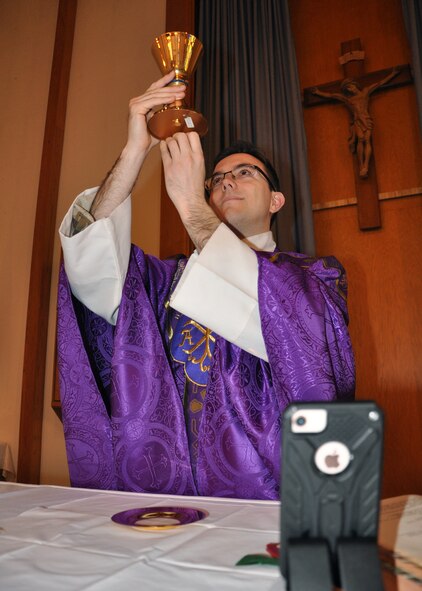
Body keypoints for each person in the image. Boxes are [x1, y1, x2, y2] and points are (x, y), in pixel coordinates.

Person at [58, 72, 355, 500]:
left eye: (244, 172)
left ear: (276, 201)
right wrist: (133, 152)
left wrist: (194, 207)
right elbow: (91, 265)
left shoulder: (316, 277)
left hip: (269, 503)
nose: (226, 182)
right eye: (215, 179)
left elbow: (302, 356)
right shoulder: (164, 284)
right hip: (165, 499)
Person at [312, 68, 398, 177]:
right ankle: (361, 165)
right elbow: (332, 95)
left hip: (366, 119)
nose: (349, 89)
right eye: (347, 88)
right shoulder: (348, 99)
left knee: (367, 140)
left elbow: (380, 83)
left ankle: (365, 165)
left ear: (355, 85)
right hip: (357, 121)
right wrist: (318, 92)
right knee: (360, 139)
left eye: (350, 86)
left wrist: (393, 74)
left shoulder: (365, 92)